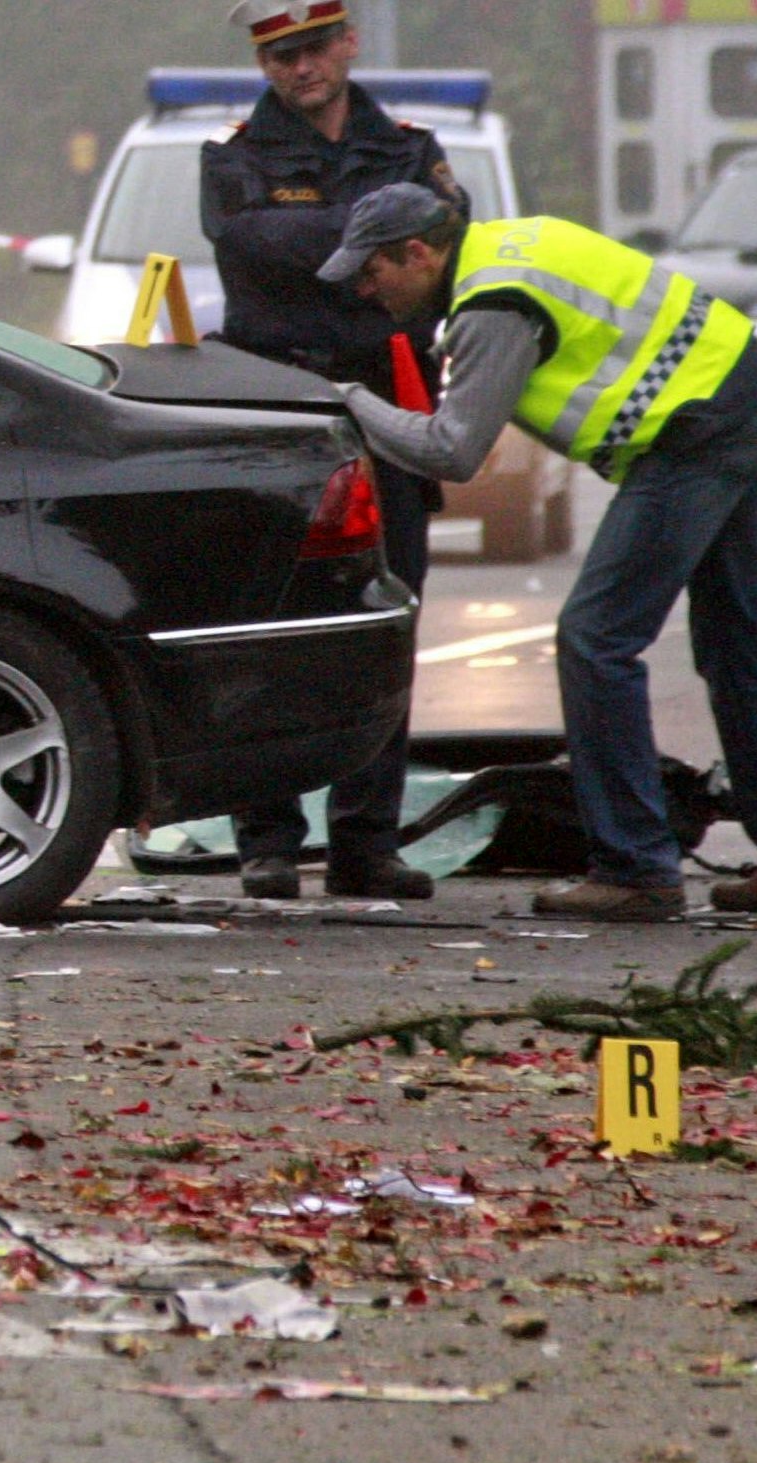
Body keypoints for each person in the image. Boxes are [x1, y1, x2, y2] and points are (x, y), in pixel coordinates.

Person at [316, 183, 757, 920]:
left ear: (419, 252)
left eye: (373, 271)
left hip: (692, 432)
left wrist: (348, 401)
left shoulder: (492, 306)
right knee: (734, 643)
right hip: (741, 388)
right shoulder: (514, 243)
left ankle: (635, 866)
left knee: (596, 638)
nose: (367, 290)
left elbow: (453, 449)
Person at [203, 0, 464, 902]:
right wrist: (376, 226)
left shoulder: (407, 142)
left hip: (387, 400)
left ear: (347, 43)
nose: (299, 70)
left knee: (386, 616)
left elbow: (442, 236)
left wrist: (324, 236)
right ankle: (268, 841)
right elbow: (246, 243)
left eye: (313, 49)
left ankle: (366, 840)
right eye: (280, 57)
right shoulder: (234, 151)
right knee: (272, 622)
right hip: (282, 402)